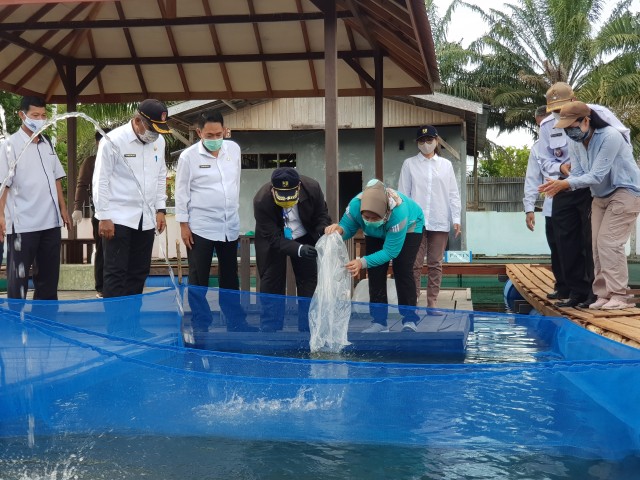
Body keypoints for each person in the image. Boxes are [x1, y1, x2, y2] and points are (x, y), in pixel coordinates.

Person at [540, 101, 640, 310]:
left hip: (625, 191)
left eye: (572, 126)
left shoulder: (610, 136)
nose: (569, 131)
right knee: (595, 245)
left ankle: (620, 296)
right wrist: (561, 185)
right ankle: (603, 294)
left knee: (609, 243)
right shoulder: (576, 142)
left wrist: (565, 183)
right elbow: (577, 173)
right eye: (565, 128)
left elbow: (596, 175)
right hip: (600, 196)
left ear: (586, 120)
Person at [175, 111, 255, 332]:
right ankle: (201, 323)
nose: (214, 138)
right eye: (209, 135)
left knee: (230, 276)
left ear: (224, 130)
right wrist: (183, 225)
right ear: (199, 132)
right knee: (198, 276)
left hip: (228, 224)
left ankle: (235, 321)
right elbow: (181, 192)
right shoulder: (188, 157)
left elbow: (234, 183)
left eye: (219, 134)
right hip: (199, 226)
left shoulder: (234, 150)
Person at [325, 179, 424, 332]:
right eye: (366, 218)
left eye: (374, 218)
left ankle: (410, 319)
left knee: (402, 269)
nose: (369, 221)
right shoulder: (355, 206)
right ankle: (379, 321)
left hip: (411, 227)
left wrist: (361, 262)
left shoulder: (399, 212)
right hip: (375, 233)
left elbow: (391, 252)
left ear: (385, 213)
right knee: (375, 271)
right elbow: (347, 227)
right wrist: (338, 231)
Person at [92, 99, 168, 299]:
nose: (155, 134)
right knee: (116, 273)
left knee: (139, 272)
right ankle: (116, 327)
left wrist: (161, 209)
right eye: (152, 128)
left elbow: (160, 175)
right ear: (137, 121)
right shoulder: (113, 141)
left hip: (146, 218)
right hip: (118, 218)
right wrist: (104, 216)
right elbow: (100, 179)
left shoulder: (159, 142)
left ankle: (133, 325)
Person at [0, 96, 70, 300]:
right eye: (35, 115)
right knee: (18, 279)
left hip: (51, 222)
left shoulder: (47, 143)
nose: (40, 119)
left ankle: (46, 321)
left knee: (48, 279)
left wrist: (63, 208)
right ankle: (16, 322)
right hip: (23, 225)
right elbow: (3, 184)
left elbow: (56, 177)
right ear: (22, 115)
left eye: (43, 115)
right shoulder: (9, 145)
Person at [253, 167, 331, 331]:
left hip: (305, 234)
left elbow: (322, 215)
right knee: (271, 279)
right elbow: (273, 238)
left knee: (309, 280)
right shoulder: (261, 200)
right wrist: (298, 249)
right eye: (282, 194)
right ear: (273, 190)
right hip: (274, 237)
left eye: (290, 194)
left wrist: (322, 233)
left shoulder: (313, 188)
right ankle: (270, 328)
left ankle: (308, 326)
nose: (287, 198)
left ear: (299, 187)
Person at [398, 125, 461, 307]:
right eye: (422, 141)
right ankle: (414, 299)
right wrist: (402, 221)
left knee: (435, 263)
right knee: (414, 263)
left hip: (439, 219)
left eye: (429, 140)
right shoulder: (409, 164)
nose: (426, 144)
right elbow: (403, 194)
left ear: (436, 141)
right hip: (415, 221)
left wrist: (456, 219)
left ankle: (432, 301)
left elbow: (453, 194)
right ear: (417, 143)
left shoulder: (446, 165)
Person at [522, 106, 568, 300]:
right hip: (551, 205)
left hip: (577, 199)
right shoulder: (537, 149)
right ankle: (562, 286)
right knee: (556, 247)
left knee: (575, 247)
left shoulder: (574, 136)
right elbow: (532, 178)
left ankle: (580, 289)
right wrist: (529, 208)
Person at [71, 128, 111, 298]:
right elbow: (81, 184)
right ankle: (101, 287)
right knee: (102, 250)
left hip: (122, 214)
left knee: (120, 251)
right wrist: (77, 208)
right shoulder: (91, 162)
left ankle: (121, 286)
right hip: (100, 214)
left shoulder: (120, 159)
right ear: (97, 143)